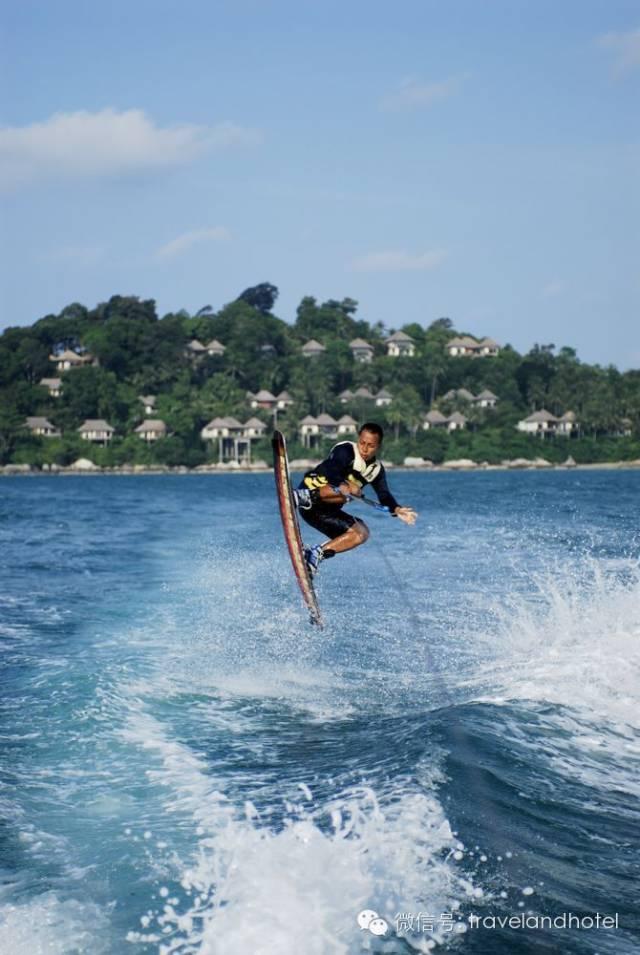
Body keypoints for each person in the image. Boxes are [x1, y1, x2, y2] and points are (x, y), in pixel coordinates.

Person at [293, 422, 418, 576]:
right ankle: (303, 497)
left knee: (362, 533)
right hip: (309, 494)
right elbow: (330, 468)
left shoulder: (376, 470)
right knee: (353, 490)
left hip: (322, 515)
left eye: (371, 446)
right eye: (362, 443)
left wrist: (396, 509)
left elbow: (384, 495)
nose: (364, 449)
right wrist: (343, 484)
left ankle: (315, 555)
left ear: (378, 446)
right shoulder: (346, 450)